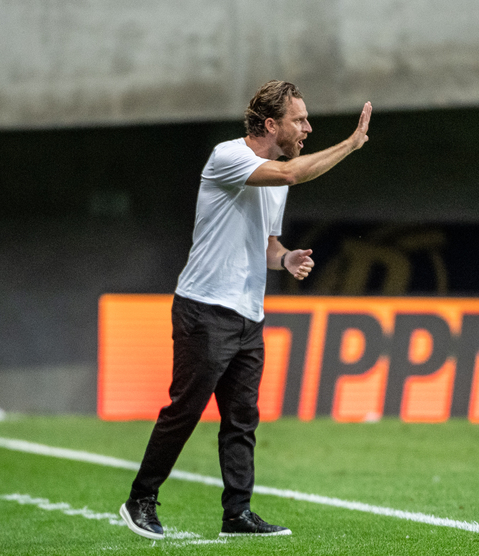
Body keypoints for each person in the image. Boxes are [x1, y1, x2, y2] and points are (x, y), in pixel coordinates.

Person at [119, 80, 372, 540]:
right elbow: (292, 175)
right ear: (271, 124)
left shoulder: (276, 176)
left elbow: (268, 245)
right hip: (204, 308)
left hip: (248, 314)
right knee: (185, 410)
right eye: (300, 120)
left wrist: (286, 259)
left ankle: (237, 514)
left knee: (241, 419)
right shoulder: (228, 156)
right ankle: (140, 499)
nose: (308, 128)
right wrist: (352, 144)